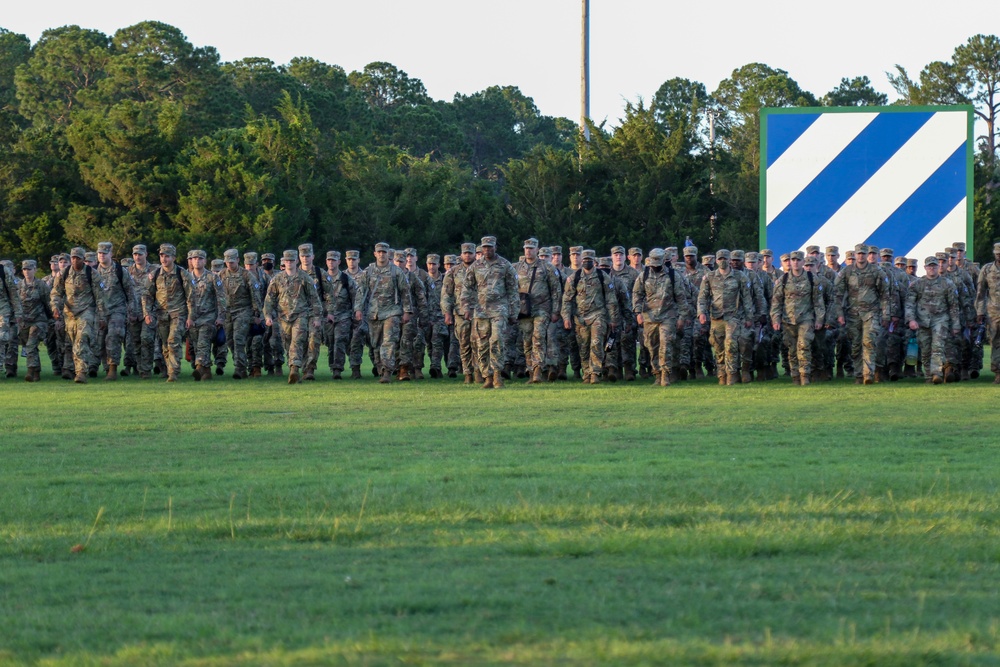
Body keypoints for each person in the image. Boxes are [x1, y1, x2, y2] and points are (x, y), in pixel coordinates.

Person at [461, 236, 519, 388]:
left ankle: (497, 374)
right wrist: (466, 307)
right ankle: (487, 376)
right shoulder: (475, 266)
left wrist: (514, 311)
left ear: (495, 247)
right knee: (482, 344)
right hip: (480, 311)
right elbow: (467, 288)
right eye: (485, 247)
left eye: (490, 247)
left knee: (497, 340)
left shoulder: (505, 265)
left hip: (499, 309)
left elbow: (513, 290)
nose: (487, 250)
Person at [834, 243, 891, 385]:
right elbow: (838, 295)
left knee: (869, 342)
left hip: (871, 313)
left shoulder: (877, 272)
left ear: (867, 255)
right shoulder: (846, 272)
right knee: (855, 345)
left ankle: (868, 374)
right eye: (858, 253)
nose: (861, 256)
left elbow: (885, 295)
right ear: (855, 254)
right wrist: (839, 314)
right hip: (852, 314)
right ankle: (858, 374)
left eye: (863, 254)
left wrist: (885, 315)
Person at [354, 242, 412, 383]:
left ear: (388, 254)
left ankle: (387, 372)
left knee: (388, 342)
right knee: (376, 344)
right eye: (379, 252)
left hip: (392, 312)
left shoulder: (396, 271)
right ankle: (381, 369)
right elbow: (361, 291)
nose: (381, 254)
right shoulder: (368, 271)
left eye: (384, 252)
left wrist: (407, 311)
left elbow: (405, 292)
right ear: (375, 254)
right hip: (373, 313)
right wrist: (358, 309)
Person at [632, 248, 690, 386]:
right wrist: (638, 313)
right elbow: (637, 294)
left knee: (666, 344)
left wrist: (682, 317)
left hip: (667, 316)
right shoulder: (644, 275)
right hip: (649, 317)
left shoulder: (672, 275)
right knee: (651, 346)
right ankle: (657, 374)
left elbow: (681, 298)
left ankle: (665, 374)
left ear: (664, 260)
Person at [561, 249, 620, 384]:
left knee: (596, 343)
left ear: (594, 261)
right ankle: (586, 372)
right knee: (583, 347)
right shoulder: (573, 278)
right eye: (585, 260)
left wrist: (613, 319)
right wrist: (566, 317)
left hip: (598, 316)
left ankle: (595, 373)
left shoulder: (602, 277)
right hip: (580, 318)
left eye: (589, 260)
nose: (587, 262)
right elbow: (567, 299)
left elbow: (611, 299)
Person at [263, 250, 322, 384]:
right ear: (284, 262)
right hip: (283, 318)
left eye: (292, 260)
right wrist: (267, 316)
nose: (289, 263)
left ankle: (294, 369)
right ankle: (294, 366)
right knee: (288, 344)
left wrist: (317, 317)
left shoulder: (305, 278)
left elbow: (314, 299)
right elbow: (269, 299)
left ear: (296, 261)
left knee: (297, 341)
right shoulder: (277, 279)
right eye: (287, 261)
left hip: (300, 315)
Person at [770, 251, 826, 386]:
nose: (795, 262)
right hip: (788, 320)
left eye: (798, 260)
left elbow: (818, 302)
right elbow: (777, 302)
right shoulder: (783, 280)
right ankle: (795, 375)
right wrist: (775, 319)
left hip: (806, 319)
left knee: (804, 346)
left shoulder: (812, 279)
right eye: (793, 260)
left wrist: (819, 319)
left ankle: (805, 375)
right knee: (792, 349)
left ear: (803, 262)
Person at [698, 249, 752, 386]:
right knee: (718, 347)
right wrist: (701, 313)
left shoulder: (739, 276)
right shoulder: (709, 277)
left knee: (731, 344)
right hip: (716, 318)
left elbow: (747, 298)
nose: (722, 261)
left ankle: (732, 374)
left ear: (729, 260)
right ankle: (721, 374)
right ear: (716, 261)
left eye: (725, 259)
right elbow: (702, 297)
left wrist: (749, 317)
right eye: (720, 259)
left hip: (733, 317)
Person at [51, 247, 104, 383]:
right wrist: (55, 307)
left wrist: (102, 316)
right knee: (71, 341)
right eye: (73, 258)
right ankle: (69, 368)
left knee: (82, 338)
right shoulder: (64, 273)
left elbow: (100, 297)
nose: (75, 261)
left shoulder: (92, 274)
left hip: (86, 311)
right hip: (69, 313)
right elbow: (56, 293)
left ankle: (81, 372)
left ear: (83, 259)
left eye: (78, 258)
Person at [142, 244, 194, 383]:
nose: (164, 259)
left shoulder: (182, 274)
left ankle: (173, 372)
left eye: (167, 256)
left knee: (173, 341)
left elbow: (191, 297)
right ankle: (169, 368)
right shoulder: (155, 275)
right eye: (161, 256)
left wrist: (190, 316)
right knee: (165, 344)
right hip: (161, 314)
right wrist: (147, 313)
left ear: (174, 258)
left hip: (179, 313)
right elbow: (147, 295)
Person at [513, 238, 561, 384]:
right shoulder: (517, 267)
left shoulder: (547, 267)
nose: (528, 250)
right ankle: (531, 369)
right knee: (526, 341)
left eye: (531, 248)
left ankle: (538, 372)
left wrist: (555, 311)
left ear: (537, 249)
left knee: (538, 339)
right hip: (524, 310)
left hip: (542, 308)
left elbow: (556, 290)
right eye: (526, 248)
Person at [907, 256, 960, 384]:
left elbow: (953, 305)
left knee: (938, 347)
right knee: (925, 350)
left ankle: (937, 373)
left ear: (938, 267)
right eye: (929, 266)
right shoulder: (917, 284)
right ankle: (929, 376)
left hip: (940, 319)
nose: (932, 268)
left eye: (934, 266)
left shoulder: (947, 284)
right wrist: (911, 320)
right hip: (922, 320)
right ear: (925, 268)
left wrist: (955, 324)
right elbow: (910, 303)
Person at [94, 241, 138, 381]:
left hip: (117, 310)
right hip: (99, 312)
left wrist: (132, 312)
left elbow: (131, 293)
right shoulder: (93, 272)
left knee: (114, 337)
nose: (102, 256)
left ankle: (113, 369)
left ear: (111, 254)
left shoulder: (120, 271)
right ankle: (106, 368)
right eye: (100, 253)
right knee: (100, 341)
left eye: (105, 253)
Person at [219, 249, 263, 379]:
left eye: (232, 262)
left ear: (238, 260)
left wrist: (257, 314)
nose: (229, 264)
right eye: (227, 262)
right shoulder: (222, 274)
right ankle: (240, 364)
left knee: (238, 339)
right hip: (227, 312)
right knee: (230, 341)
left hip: (243, 311)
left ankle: (240, 369)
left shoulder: (246, 275)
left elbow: (255, 296)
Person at [186, 249, 227, 381]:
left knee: (203, 342)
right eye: (194, 258)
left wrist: (221, 317)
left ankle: (199, 368)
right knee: (197, 345)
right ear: (191, 261)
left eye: (200, 258)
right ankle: (207, 371)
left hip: (209, 318)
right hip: (192, 319)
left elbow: (221, 298)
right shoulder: (186, 277)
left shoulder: (212, 277)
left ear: (205, 261)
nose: (197, 261)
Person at [442, 243, 478, 384]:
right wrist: (447, 313)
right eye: (465, 253)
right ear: (461, 254)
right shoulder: (453, 272)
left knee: (479, 344)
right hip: (460, 313)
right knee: (464, 344)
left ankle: (478, 371)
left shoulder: (481, 269)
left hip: (480, 313)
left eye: (470, 252)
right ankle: (467, 372)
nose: (468, 255)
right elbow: (446, 294)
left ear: (475, 253)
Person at [323, 250, 357, 380]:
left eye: (334, 260)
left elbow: (354, 297)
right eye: (329, 260)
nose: (331, 262)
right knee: (330, 342)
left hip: (343, 315)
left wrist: (355, 314)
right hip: (327, 317)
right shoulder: (322, 279)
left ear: (339, 261)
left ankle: (337, 368)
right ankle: (332, 366)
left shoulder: (345, 279)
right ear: (326, 262)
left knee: (340, 341)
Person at [16, 259, 51, 382]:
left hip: (39, 320)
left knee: (31, 345)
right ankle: (37, 371)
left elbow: (49, 303)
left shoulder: (41, 285)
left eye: (29, 269)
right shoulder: (19, 285)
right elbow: (16, 303)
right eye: (24, 269)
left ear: (35, 270)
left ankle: (30, 371)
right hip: (24, 321)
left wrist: (53, 319)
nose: (27, 272)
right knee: (30, 347)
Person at [975, 242, 1000, 383]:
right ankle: (998, 372)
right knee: (995, 342)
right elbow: (981, 293)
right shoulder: (987, 269)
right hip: (993, 312)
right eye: (997, 253)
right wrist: (980, 312)